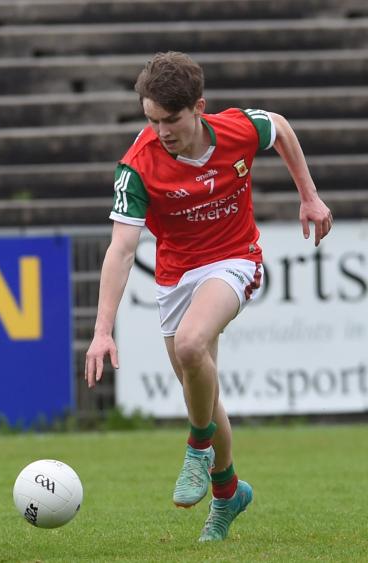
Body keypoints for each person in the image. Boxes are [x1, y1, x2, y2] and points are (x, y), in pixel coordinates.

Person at [84, 52, 333, 542]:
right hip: (176, 277)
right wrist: (101, 330)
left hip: (235, 259)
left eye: (170, 120)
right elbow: (121, 250)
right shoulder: (137, 167)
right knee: (201, 385)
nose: (160, 131)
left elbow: (278, 127)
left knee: (193, 345)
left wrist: (309, 194)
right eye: (151, 120)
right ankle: (228, 493)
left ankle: (197, 448)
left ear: (199, 107)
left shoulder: (236, 130)